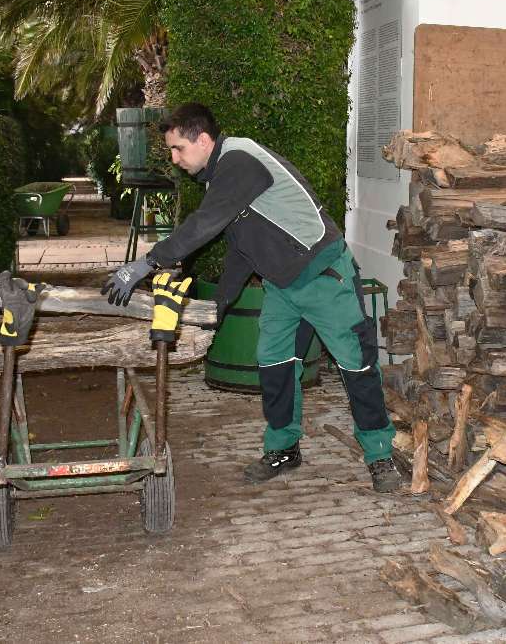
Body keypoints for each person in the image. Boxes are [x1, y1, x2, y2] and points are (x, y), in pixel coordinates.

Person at [102, 102, 405, 492]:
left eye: (178, 148)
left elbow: (205, 224)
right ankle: (283, 450)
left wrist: (144, 264)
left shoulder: (240, 161)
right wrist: (219, 308)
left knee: (356, 366)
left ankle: (380, 455)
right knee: (274, 364)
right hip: (281, 284)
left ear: (204, 140)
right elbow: (242, 249)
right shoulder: (221, 177)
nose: (175, 159)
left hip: (323, 275)